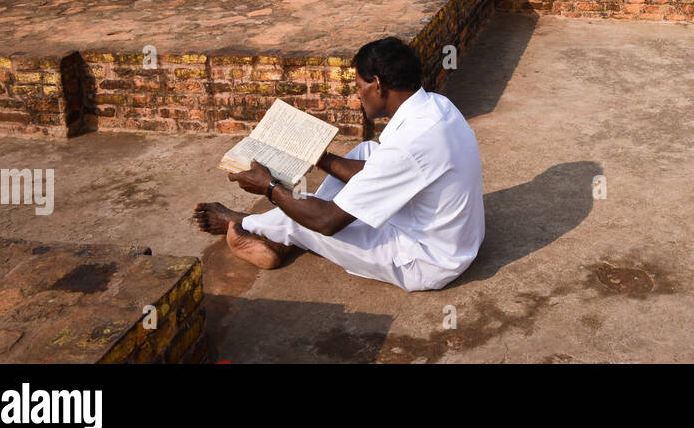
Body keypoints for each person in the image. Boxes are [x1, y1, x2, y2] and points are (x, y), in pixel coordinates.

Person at [192, 37, 486, 291]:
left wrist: (268, 187)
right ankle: (282, 237)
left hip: (425, 260)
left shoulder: (410, 145)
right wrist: (316, 155)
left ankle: (242, 223)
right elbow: (380, 170)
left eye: (360, 86)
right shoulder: (435, 105)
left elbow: (328, 221)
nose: (358, 95)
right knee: (366, 152)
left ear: (378, 85)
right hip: (454, 239)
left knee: (308, 216)